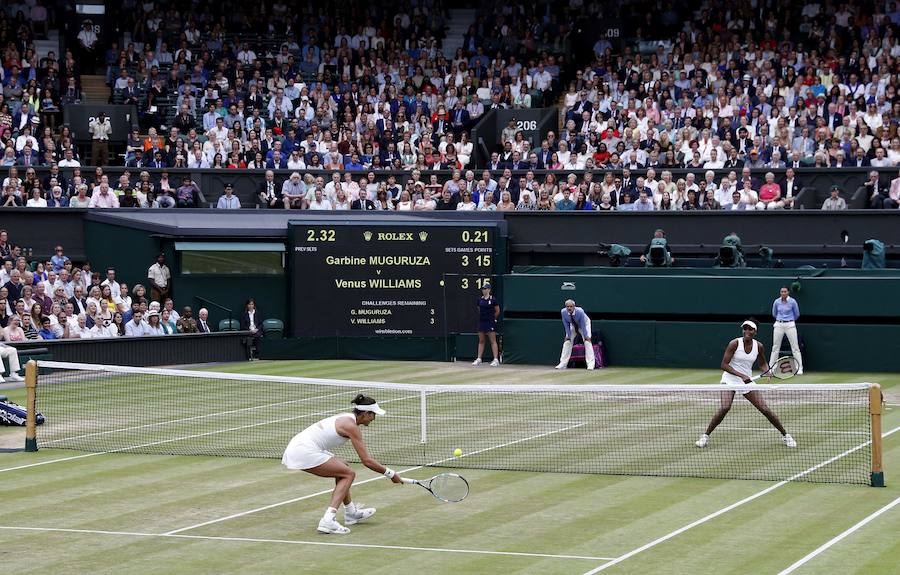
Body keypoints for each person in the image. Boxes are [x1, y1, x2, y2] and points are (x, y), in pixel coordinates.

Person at [281, 394, 402, 534]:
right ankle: (328, 520)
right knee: (348, 474)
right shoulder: (351, 426)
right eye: (373, 414)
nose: (374, 418)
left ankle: (351, 513)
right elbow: (367, 461)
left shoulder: (348, 418)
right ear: (365, 413)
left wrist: (333, 457)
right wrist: (390, 474)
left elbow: (319, 437)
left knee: (343, 469)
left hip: (303, 447)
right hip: (303, 450)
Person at [695, 320, 796, 449]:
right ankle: (705, 436)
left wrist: (768, 370)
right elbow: (724, 365)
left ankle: (786, 436)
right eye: (745, 329)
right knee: (725, 407)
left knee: (765, 409)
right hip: (729, 380)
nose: (747, 332)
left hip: (746, 382)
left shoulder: (758, 346)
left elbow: (762, 363)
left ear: (755, 331)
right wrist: (742, 375)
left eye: (750, 329)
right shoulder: (734, 344)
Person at [770, 287, 804, 375]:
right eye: (782, 291)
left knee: (795, 347)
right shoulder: (776, 302)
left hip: (790, 325)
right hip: (778, 324)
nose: (783, 293)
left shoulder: (793, 302)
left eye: (785, 291)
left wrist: (789, 320)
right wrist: (781, 320)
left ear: (788, 292)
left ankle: (799, 368)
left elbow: (797, 314)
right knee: (775, 347)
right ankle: (771, 368)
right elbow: (774, 313)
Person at [555, 299, 595, 370]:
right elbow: (566, 324)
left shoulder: (580, 311)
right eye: (567, 306)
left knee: (587, 342)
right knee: (567, 342)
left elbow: (582, 324)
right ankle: (563, 364)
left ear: (574, 306)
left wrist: (586, 336)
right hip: (573, 325)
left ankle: (590, 364)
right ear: (565, 307)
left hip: (585, 325)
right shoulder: (563, 312)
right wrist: (568, 336)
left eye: (571, 306)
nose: (569, 308)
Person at [472, 282, 500, 367]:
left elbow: (498, 311)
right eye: (483, 289)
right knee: (481, 341)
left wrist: (493, 318)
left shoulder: (493, 300)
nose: (483, 290)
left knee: (493, 341)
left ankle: (496, 359)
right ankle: (479, 358)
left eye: (485, 289)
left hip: (490, 323)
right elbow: (479, 309)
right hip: (482, 322)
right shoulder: (479, 299)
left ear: (489, 290)